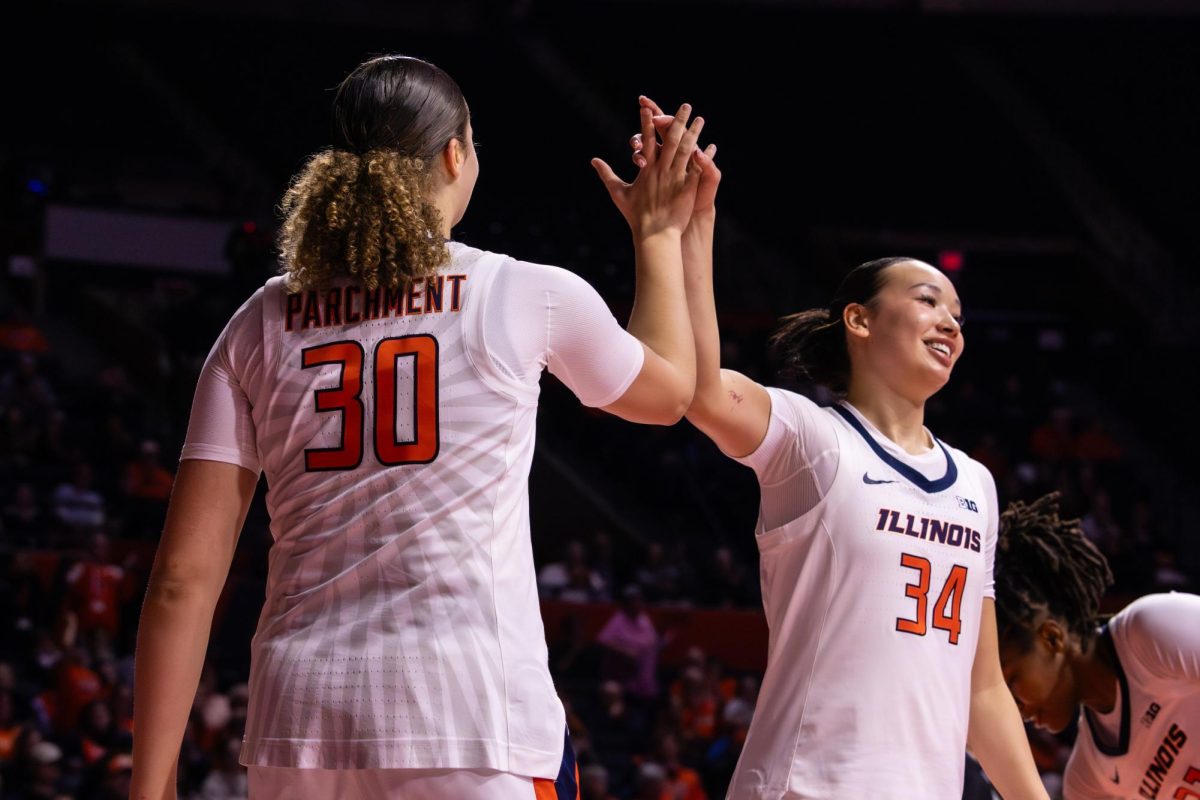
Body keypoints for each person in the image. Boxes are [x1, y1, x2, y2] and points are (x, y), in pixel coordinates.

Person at [131, 55, 719, 800]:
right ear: (454, 154)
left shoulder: (259, 321)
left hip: (298, 730)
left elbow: (182, 582)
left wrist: (149, 787)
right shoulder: (519, 292)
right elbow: (667, 394)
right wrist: (660, 233)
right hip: (470, 722)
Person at [631, 97, 1047, 799]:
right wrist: (691, 225)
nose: (949, 320)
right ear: (858, 319)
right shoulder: (813, 438)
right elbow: (699, 393)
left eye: (957, 313)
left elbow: (982, 692)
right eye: (926, 300)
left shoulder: (976, 484)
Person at [994, 492, 1200, 800]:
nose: (1016, 707)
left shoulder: (1151, 629)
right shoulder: (1086, 781)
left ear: (1051, 638)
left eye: (1013, 680)